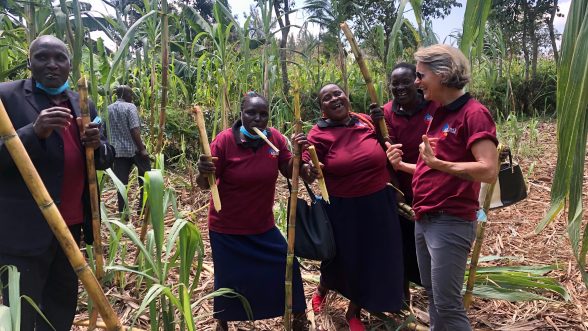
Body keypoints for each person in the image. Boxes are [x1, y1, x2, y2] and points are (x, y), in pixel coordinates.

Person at [0, 35, 114, 331]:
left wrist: (98, 145)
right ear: (29, 63)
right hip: (24, 232)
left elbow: (105, 158)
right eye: (42, 57)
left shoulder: (82, 102)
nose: (52, 64)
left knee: (60, 308)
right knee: (21, 314)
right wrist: (31, 132)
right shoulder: (7, 98)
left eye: (60, 58)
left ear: (70, 65)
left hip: (71, 228)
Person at [196, 92, 308, 331]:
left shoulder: (274, 139)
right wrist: (202, 171)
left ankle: (298, 317)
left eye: (263, 114)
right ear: (241, 113)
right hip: (227, 227)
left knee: (288, 265)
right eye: (251, 113)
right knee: (228, 279)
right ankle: (223, 323)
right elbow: (206, 184)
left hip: (262, 225)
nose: (258, 118)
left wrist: (299, 156)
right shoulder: (225, 141)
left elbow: (288, 169)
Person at [405, 44, 498, 330]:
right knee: (433, 296)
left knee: (448, 304)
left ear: (443, 74)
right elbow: (432, 165)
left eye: (421, 75)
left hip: (450, 220)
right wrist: (402, 166)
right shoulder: (438, 111)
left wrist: (439, 165)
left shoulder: (474, 114)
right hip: (424, 217)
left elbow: (488, 169)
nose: (416, 81)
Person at [301, 83, 404, 331]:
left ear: (346, 97)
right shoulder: (318, 134)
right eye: (327, 98)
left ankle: (353, 312)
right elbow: (306, 168)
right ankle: (322, 289)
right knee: (343, 258)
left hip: (379, 201)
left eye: (338, 93)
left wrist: (381, 125)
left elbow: (386, 145)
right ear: (322, 108)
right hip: (343, 207)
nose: (335, 99)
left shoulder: (365, 121)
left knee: (373, 258)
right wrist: (309, 169)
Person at [371, 62, 441, 302]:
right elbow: (386, 154)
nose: (400, 87)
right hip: (402, 189)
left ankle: (438, 292)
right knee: (401, 245)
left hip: (435, 187)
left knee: (435, 244)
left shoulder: (436, 105)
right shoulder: (386, 114)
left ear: (418, 82)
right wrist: (395, 189)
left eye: (406, 81)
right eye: (395, 83)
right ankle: (402, 297)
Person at [107, 85, 150, 216]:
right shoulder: (130, 107)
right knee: (146, 178)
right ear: (126, 95)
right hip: (134, 150)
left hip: (117, 152)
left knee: (121, 183)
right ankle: (142, 209)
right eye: (131, 94)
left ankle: (123, 213)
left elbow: (103, 130)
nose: (132, 97)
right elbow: (134, 130)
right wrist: (142, 149)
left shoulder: (108, 109)